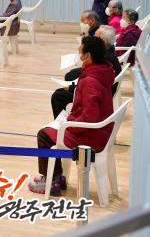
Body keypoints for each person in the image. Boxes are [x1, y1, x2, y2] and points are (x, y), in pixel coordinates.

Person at [29, 36, 115, 196]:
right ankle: (57, 177)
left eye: (80, 51)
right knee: (51, 130)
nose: (78, 53)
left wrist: (69, 125)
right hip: (99, 130)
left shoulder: (90, 80)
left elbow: (89, 117)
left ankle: (51, 182)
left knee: (44, 136)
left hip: (91, 135)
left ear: (88, 55)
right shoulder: (102, 71)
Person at [50, 25, 121, 118]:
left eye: (96, 37)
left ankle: (60, 122)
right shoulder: (107, 57)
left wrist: (73, 88)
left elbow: (90, 112)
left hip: (101, 98)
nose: (93, 38)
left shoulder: (104, 60)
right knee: (69, 78)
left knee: (58, 95)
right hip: (102, 95)